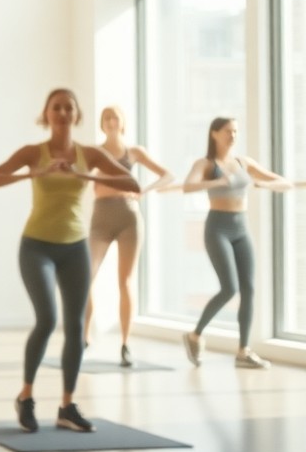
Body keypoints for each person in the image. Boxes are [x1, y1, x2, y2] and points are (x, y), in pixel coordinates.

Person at [0, 88, 138, 433]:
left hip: (75, 248)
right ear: (47, 114)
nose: (63, 113)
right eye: (57, 107)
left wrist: (88, 177)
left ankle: (67, 406)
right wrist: (32, 174)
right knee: (47, 319)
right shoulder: (32, 153)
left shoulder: (89, 155)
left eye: (69, 108)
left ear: (77, 115)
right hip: (36, 246)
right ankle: (26, 397)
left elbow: (131, 182)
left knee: (76, 325)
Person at [181, 117, 303, 368]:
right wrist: (218, 182)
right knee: (229, 288)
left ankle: (243, 350)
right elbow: (188, 186)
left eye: (236, 131)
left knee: (249, 288)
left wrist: (263, 183)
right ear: (214, 133)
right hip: (217, 228)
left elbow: (280, 181)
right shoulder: (206, 163)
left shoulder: (243, 163)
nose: (233, 135)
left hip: (241, 228)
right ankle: (195, 335)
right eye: (228, 131)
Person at [82, 106, 171, 365]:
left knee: (126, 281)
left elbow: (168, 175)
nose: (111, 122)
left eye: (115, 117)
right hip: (101, 217)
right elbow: (80, 179)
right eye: (106, 118)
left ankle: (125, 344)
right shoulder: (95, 153)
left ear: (122, 123)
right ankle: (85, 337)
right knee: (87, 277)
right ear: (102, 124)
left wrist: (144, 189)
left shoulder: (135, 152)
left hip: (128, 217)